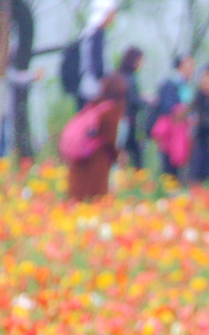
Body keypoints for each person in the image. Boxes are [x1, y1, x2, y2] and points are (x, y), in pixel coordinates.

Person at [67, 73, 125, 201]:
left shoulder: (93, 105)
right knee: (95, 200)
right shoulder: (111, 111)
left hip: (80, 159)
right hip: (96, 160)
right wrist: (118, 156)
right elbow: (110, 140)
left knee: (78, 201)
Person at [151, 55, 195, 177]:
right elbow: (167, 107)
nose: (192, 69)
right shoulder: (170, 83)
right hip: (171, 131)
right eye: (190, 66)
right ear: (181, 66)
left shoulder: (186, 85)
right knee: (169, 164)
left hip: (183, 131)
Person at [76, 0, 117, 109]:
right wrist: (104, 81)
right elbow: (96, 62)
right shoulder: (96, 34)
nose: (114, 16)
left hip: (89, 85)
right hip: (93, 88)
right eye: (112, 13)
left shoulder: (91, 32)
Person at [118, 47, 145, 169]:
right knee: (133, 151)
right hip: (128, 120)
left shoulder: (118, 75)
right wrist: (145, 100)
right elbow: (133, 100)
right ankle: (137, 177)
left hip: (118, 119)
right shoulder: (130, 78)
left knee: (122, 149)